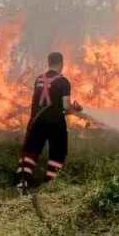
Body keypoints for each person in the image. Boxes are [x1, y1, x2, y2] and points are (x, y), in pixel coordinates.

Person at [14, 51, 83, 192]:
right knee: (58, 152)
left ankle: (22, 182)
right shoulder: (63, 82)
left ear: (49, 63)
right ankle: (50, 182)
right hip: (55, 122)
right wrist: (76, 109)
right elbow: (65, 107)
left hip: (36, 121)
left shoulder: (39, 79)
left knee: (30, 152)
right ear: (61, 64)